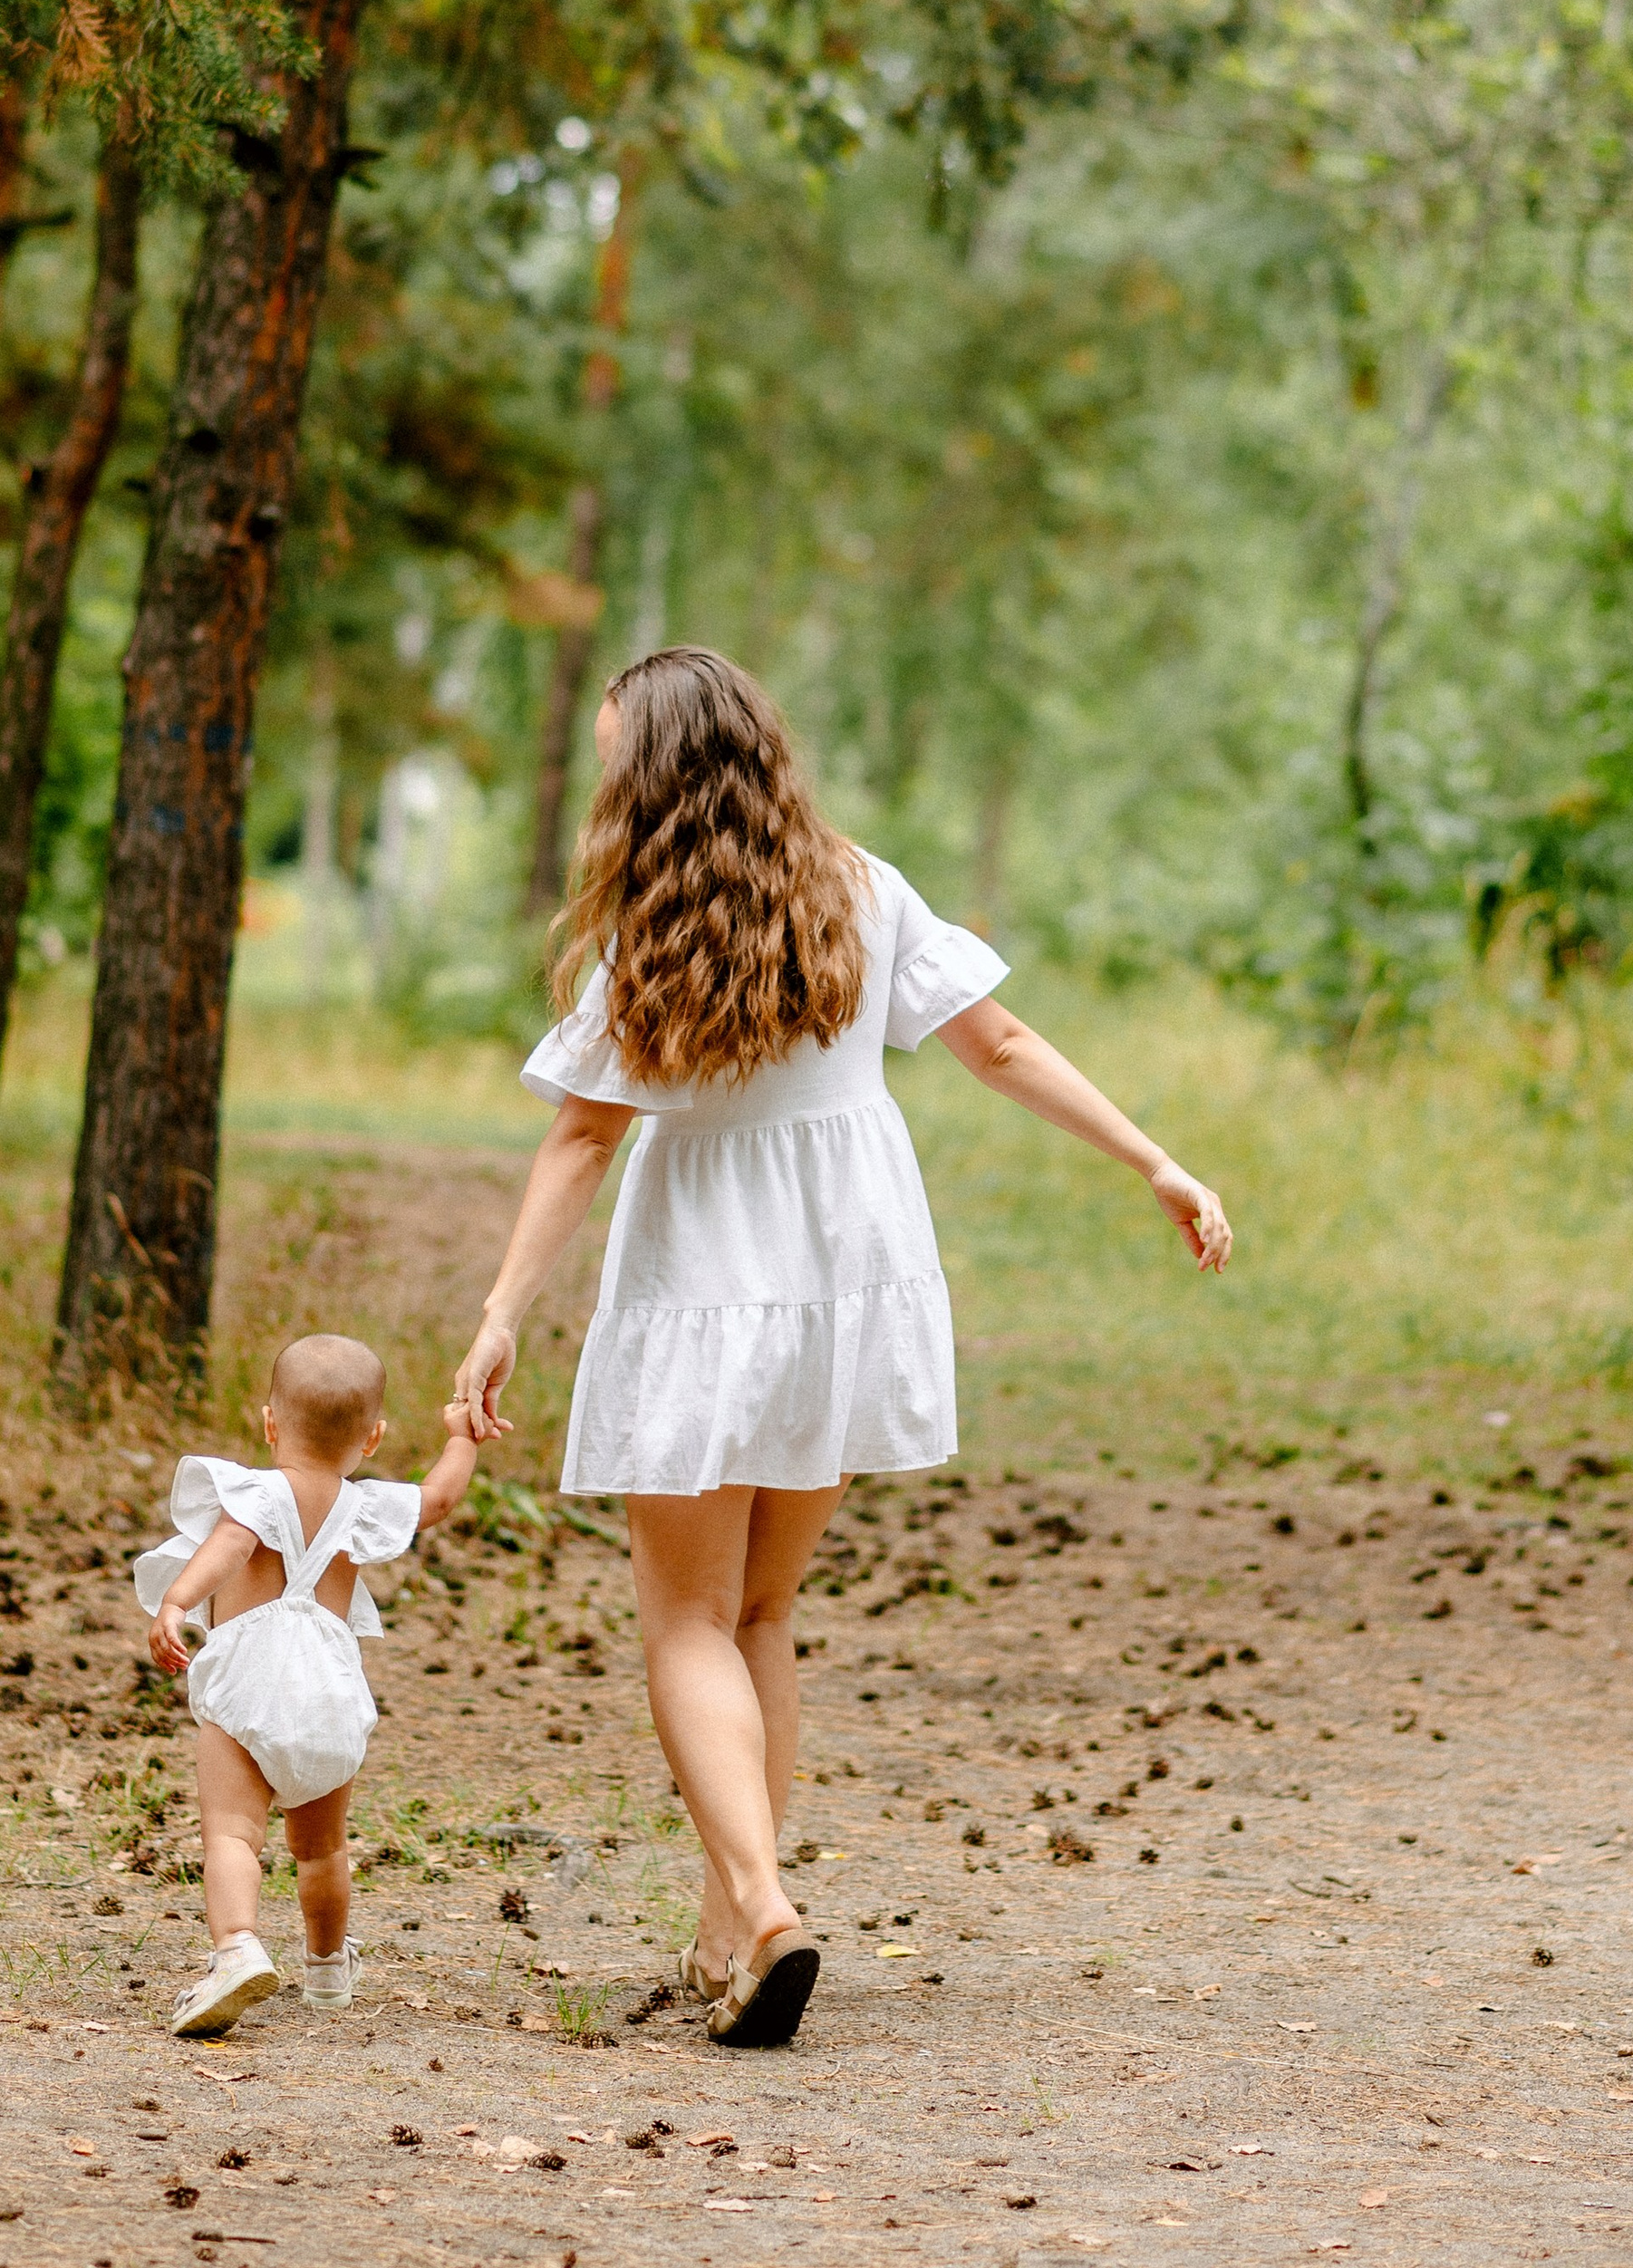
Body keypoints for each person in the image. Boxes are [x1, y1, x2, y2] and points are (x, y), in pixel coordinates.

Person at [449, 646, 1232, 2052]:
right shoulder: (861, 888)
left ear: (661, 776)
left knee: (687, 1620)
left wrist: (502, 1310)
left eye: (616, 754)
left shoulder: (652, 928)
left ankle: (757, 1906)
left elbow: (583, 1133)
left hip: (706, 1286)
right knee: (760, 1615)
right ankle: (723, 1928)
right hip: (850, 1286)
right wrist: (1153, 1159)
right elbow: (996, 1045)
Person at [138, 1332, 478, 2039]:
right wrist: (461, 1434)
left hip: (248, 1686)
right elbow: (440, 1499)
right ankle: (326, 1969)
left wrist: (175, 1603)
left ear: (269, 1424)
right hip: (327, 1690)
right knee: (321, 1848)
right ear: (374, 1438)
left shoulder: (257, 1493)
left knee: (232, 1832)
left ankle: (236, 1947)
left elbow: (228, 1548)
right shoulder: (363, 1507)